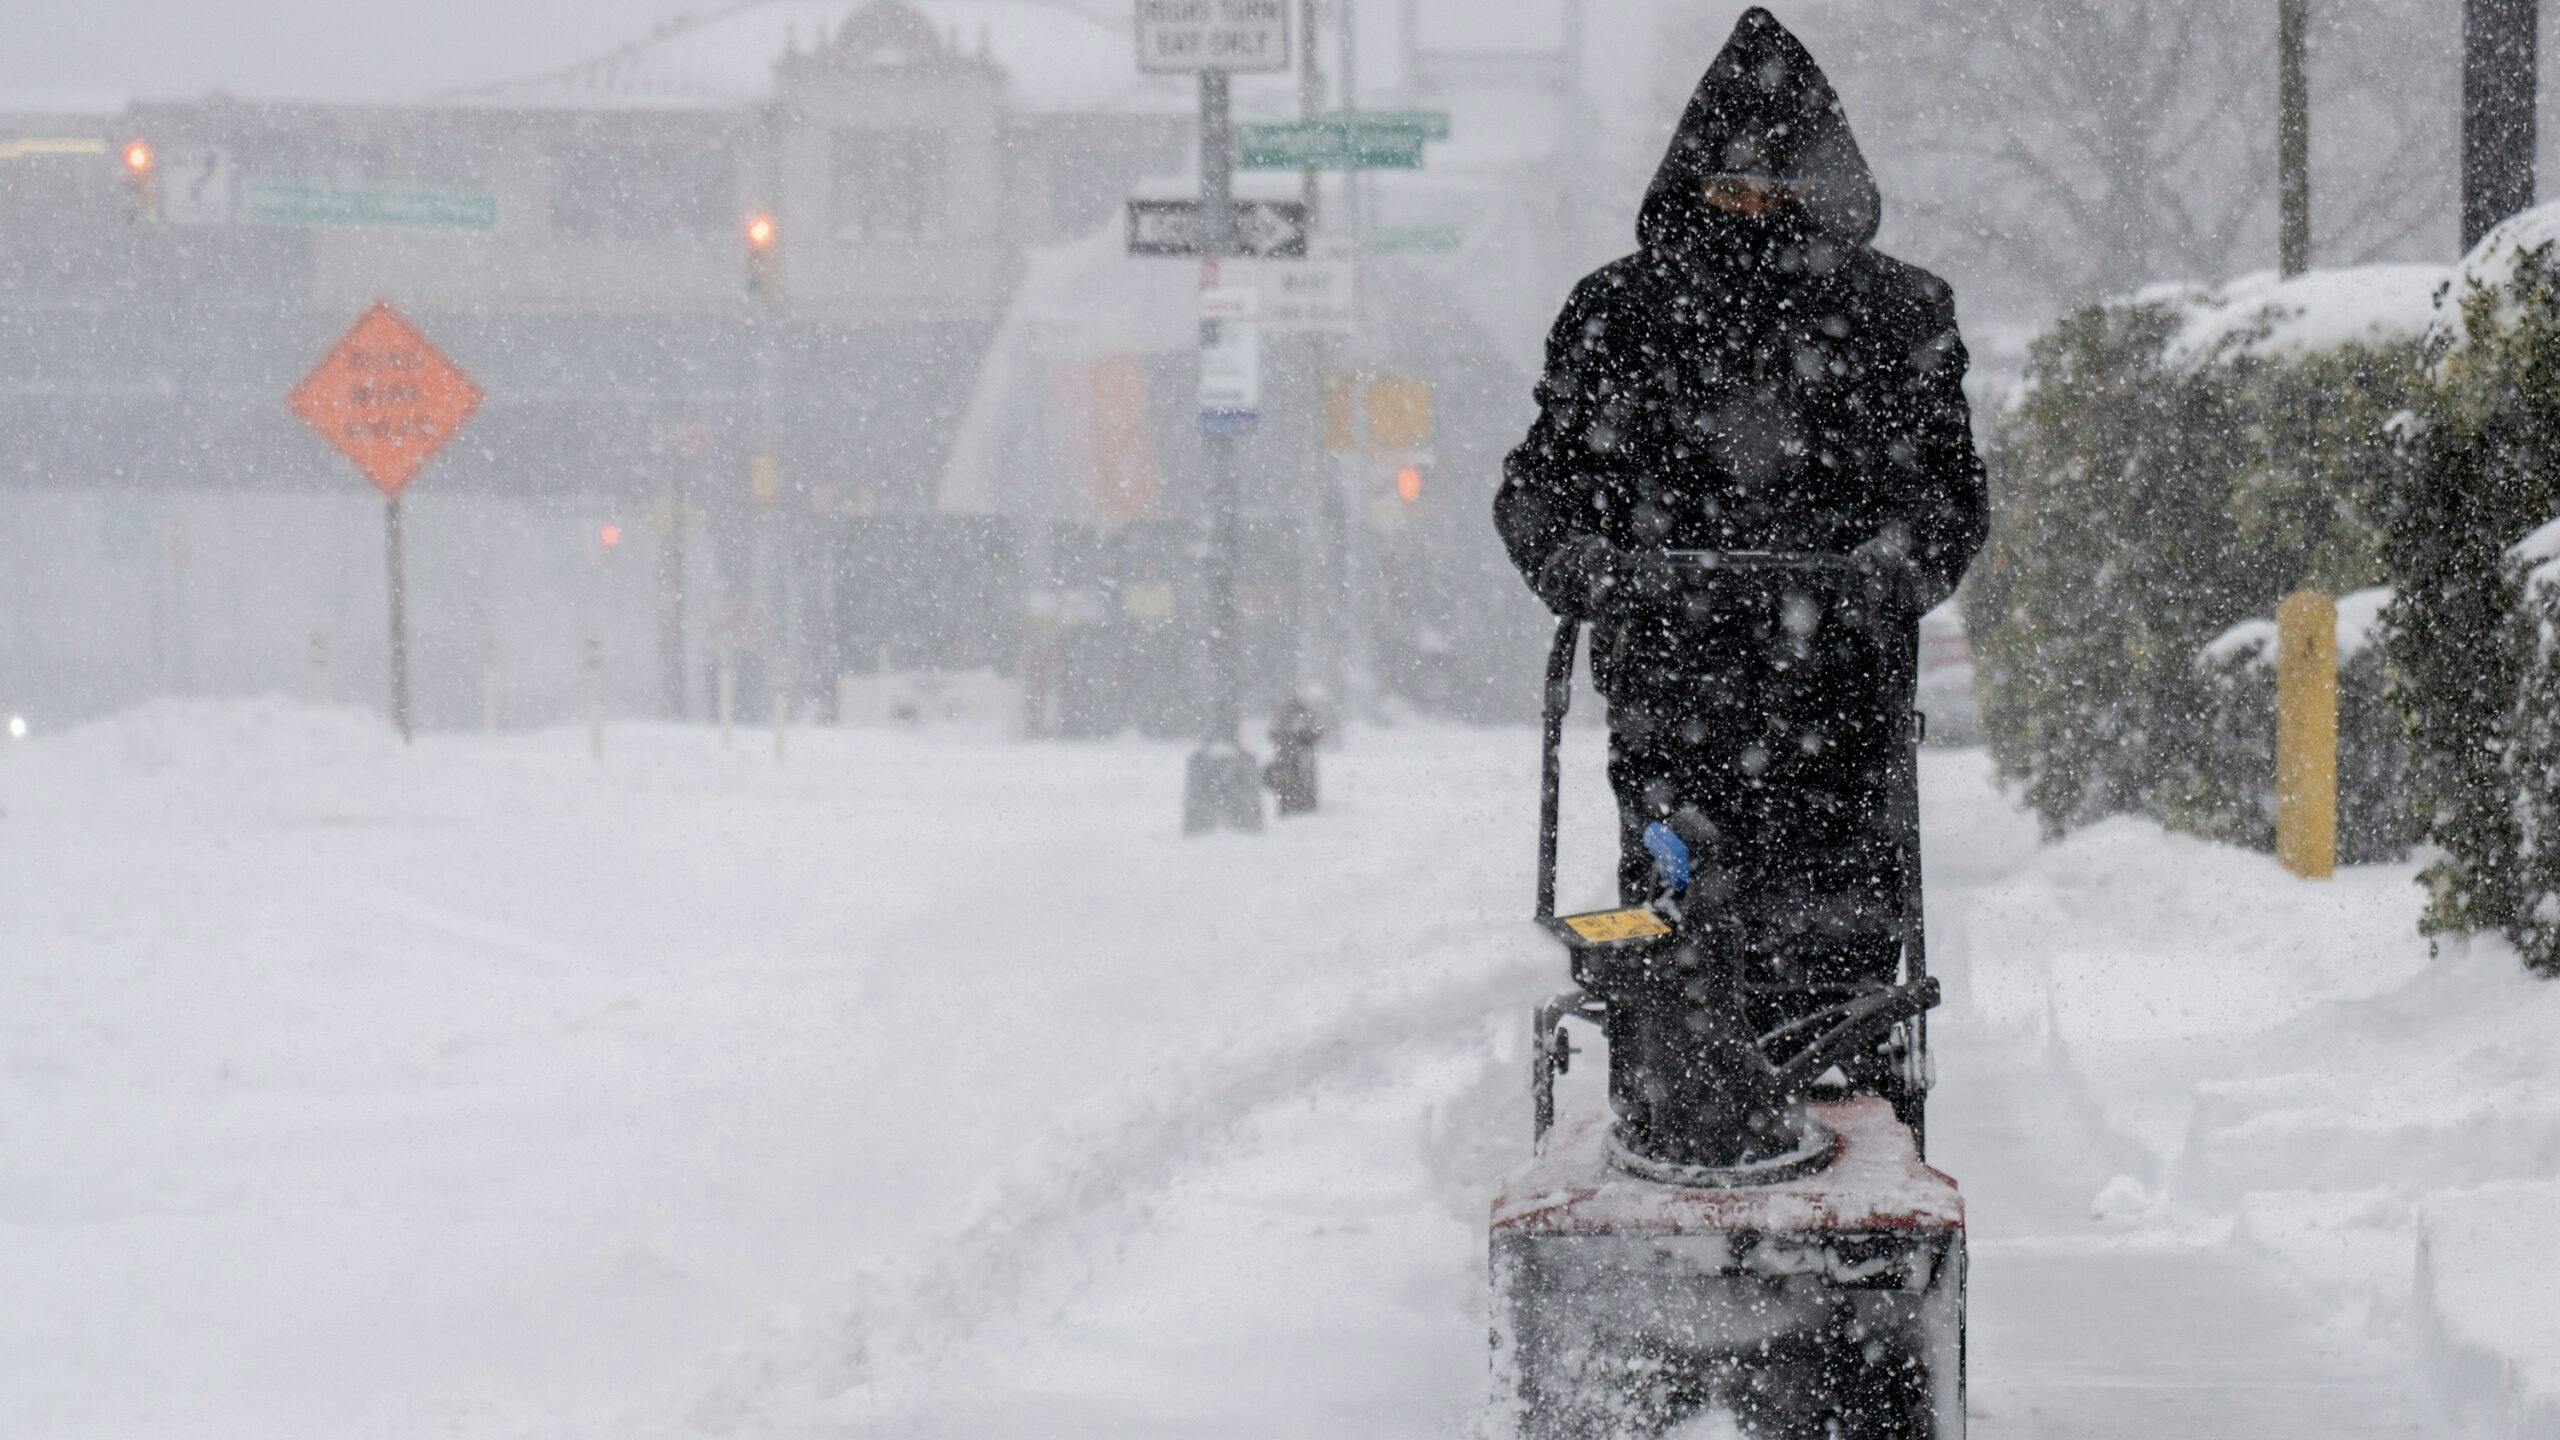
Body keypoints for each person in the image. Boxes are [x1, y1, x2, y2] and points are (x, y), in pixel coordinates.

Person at [1495, 9, 1988, 985]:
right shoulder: (1616, 314)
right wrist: (1579, 564)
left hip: (1838, 669)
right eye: (1731, 190)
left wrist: (1894, 568)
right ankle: (1678, 1045)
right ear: (1692, 186)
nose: (1752, 213)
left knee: (1836, 911)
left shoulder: (1898, 313)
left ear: (1820, 188)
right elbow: (1540, 488)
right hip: (1672, 666)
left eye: (1776, 191)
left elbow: (1946, 493)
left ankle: (1832, 1025)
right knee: (1681, 898)